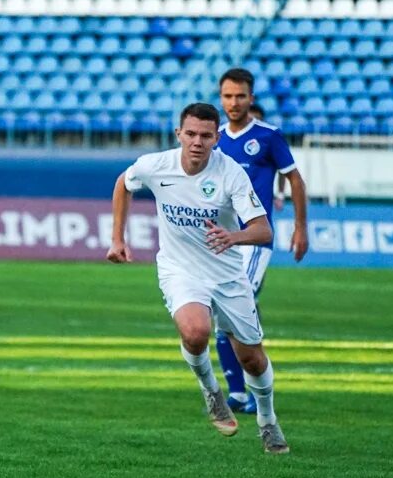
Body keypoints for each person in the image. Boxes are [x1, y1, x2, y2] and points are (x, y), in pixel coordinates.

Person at [107, 102, 290, 454]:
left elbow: (263, 229)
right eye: (190, 134)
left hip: (226, 274)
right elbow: (123, 183)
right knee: (195, 332)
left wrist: (233, 237)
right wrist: (117, 238)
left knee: (251, 357)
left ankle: (268, 421)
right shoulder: (155, 165)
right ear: (179, 134)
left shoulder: (231, 173)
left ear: (216, 138)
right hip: (180, 268)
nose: (197, 142)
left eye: (206, 136)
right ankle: (212, 392)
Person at [215, 69, 308, 414]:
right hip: (223, 241)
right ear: (220, 98)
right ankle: (238, 393)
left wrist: (300, 227)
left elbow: (295, 180)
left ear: (250, 98)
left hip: (254, 240)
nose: (234, 102)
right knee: (222, 316)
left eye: (240, 96)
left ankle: (258, 392)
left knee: (236, 308)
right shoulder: (216, 138)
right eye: (228, 96)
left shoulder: (269, 136)